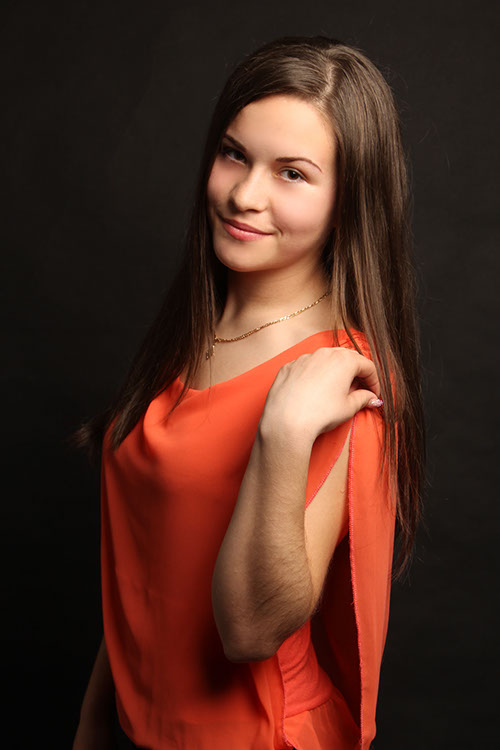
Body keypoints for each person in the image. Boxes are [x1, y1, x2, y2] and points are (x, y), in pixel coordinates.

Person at [71, 35, 425, 750]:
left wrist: (283, 435)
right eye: (235, 154)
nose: (244, 195)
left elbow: (251, 630)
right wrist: (92, 723)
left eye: (292, 173)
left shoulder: (342, 378)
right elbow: (148, 562)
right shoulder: (194, 328)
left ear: (349, 201)